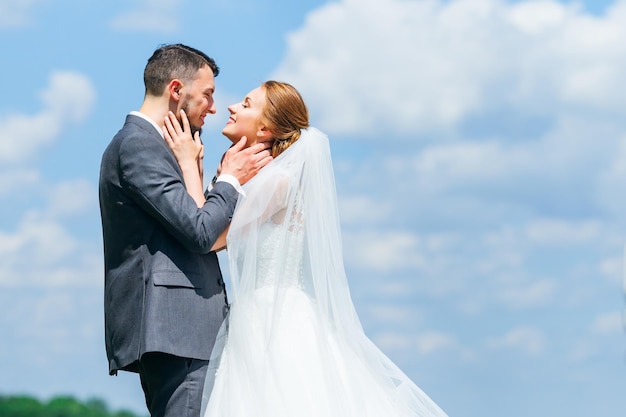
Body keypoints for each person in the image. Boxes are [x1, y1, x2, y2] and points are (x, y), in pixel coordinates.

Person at [164, 80, 449, 417]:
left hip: (273, 321)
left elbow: (210, 237)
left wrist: (188, 165)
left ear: (266, 127)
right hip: (255, 317)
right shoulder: (260, 180)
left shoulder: (277, 183)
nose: (231, 107)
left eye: (245, 104)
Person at [98, 44, 272, 417]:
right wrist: (229, 179)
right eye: (207, 95)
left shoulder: (158, 147)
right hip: (179, 331)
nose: (213, 107)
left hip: (183, 333)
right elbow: (200, 232)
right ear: (176, 90)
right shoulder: (138, 146)